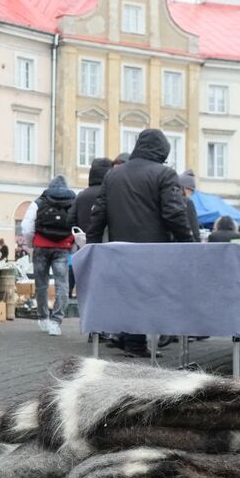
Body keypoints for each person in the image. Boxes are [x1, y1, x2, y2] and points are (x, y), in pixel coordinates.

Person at [87, 129, 195, 356]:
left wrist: (93, 245)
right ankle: (137, 343)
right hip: (153, 250)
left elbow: (98, 214)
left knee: (128, 294)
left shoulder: (112, 175)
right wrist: (189, 243)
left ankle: (132, 342)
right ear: (163, 151)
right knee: (148, 296)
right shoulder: (164, 174)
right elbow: (174, 213)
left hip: (120, 249)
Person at [21, 175, 76, 336]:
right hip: (62, 248)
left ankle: (43, 317)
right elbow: (77, 225)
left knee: (41, 285)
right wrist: (71, 243)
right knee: (62, 285)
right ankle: (56, 322)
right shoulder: (73, 201)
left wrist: (32, 243)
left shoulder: (39, 202)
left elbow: (26, 226)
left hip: (41, 247)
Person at [67, 157, 112, 241]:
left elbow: (70, 220)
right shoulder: (110, 194)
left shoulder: (81, 195)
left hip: (84, 244)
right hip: (106, 244)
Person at [179, 169, 201, 240]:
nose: (191, 194)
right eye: (191, 191)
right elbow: (194, 228)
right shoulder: (187, 202)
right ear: (185, 188)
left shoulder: (169, 199)